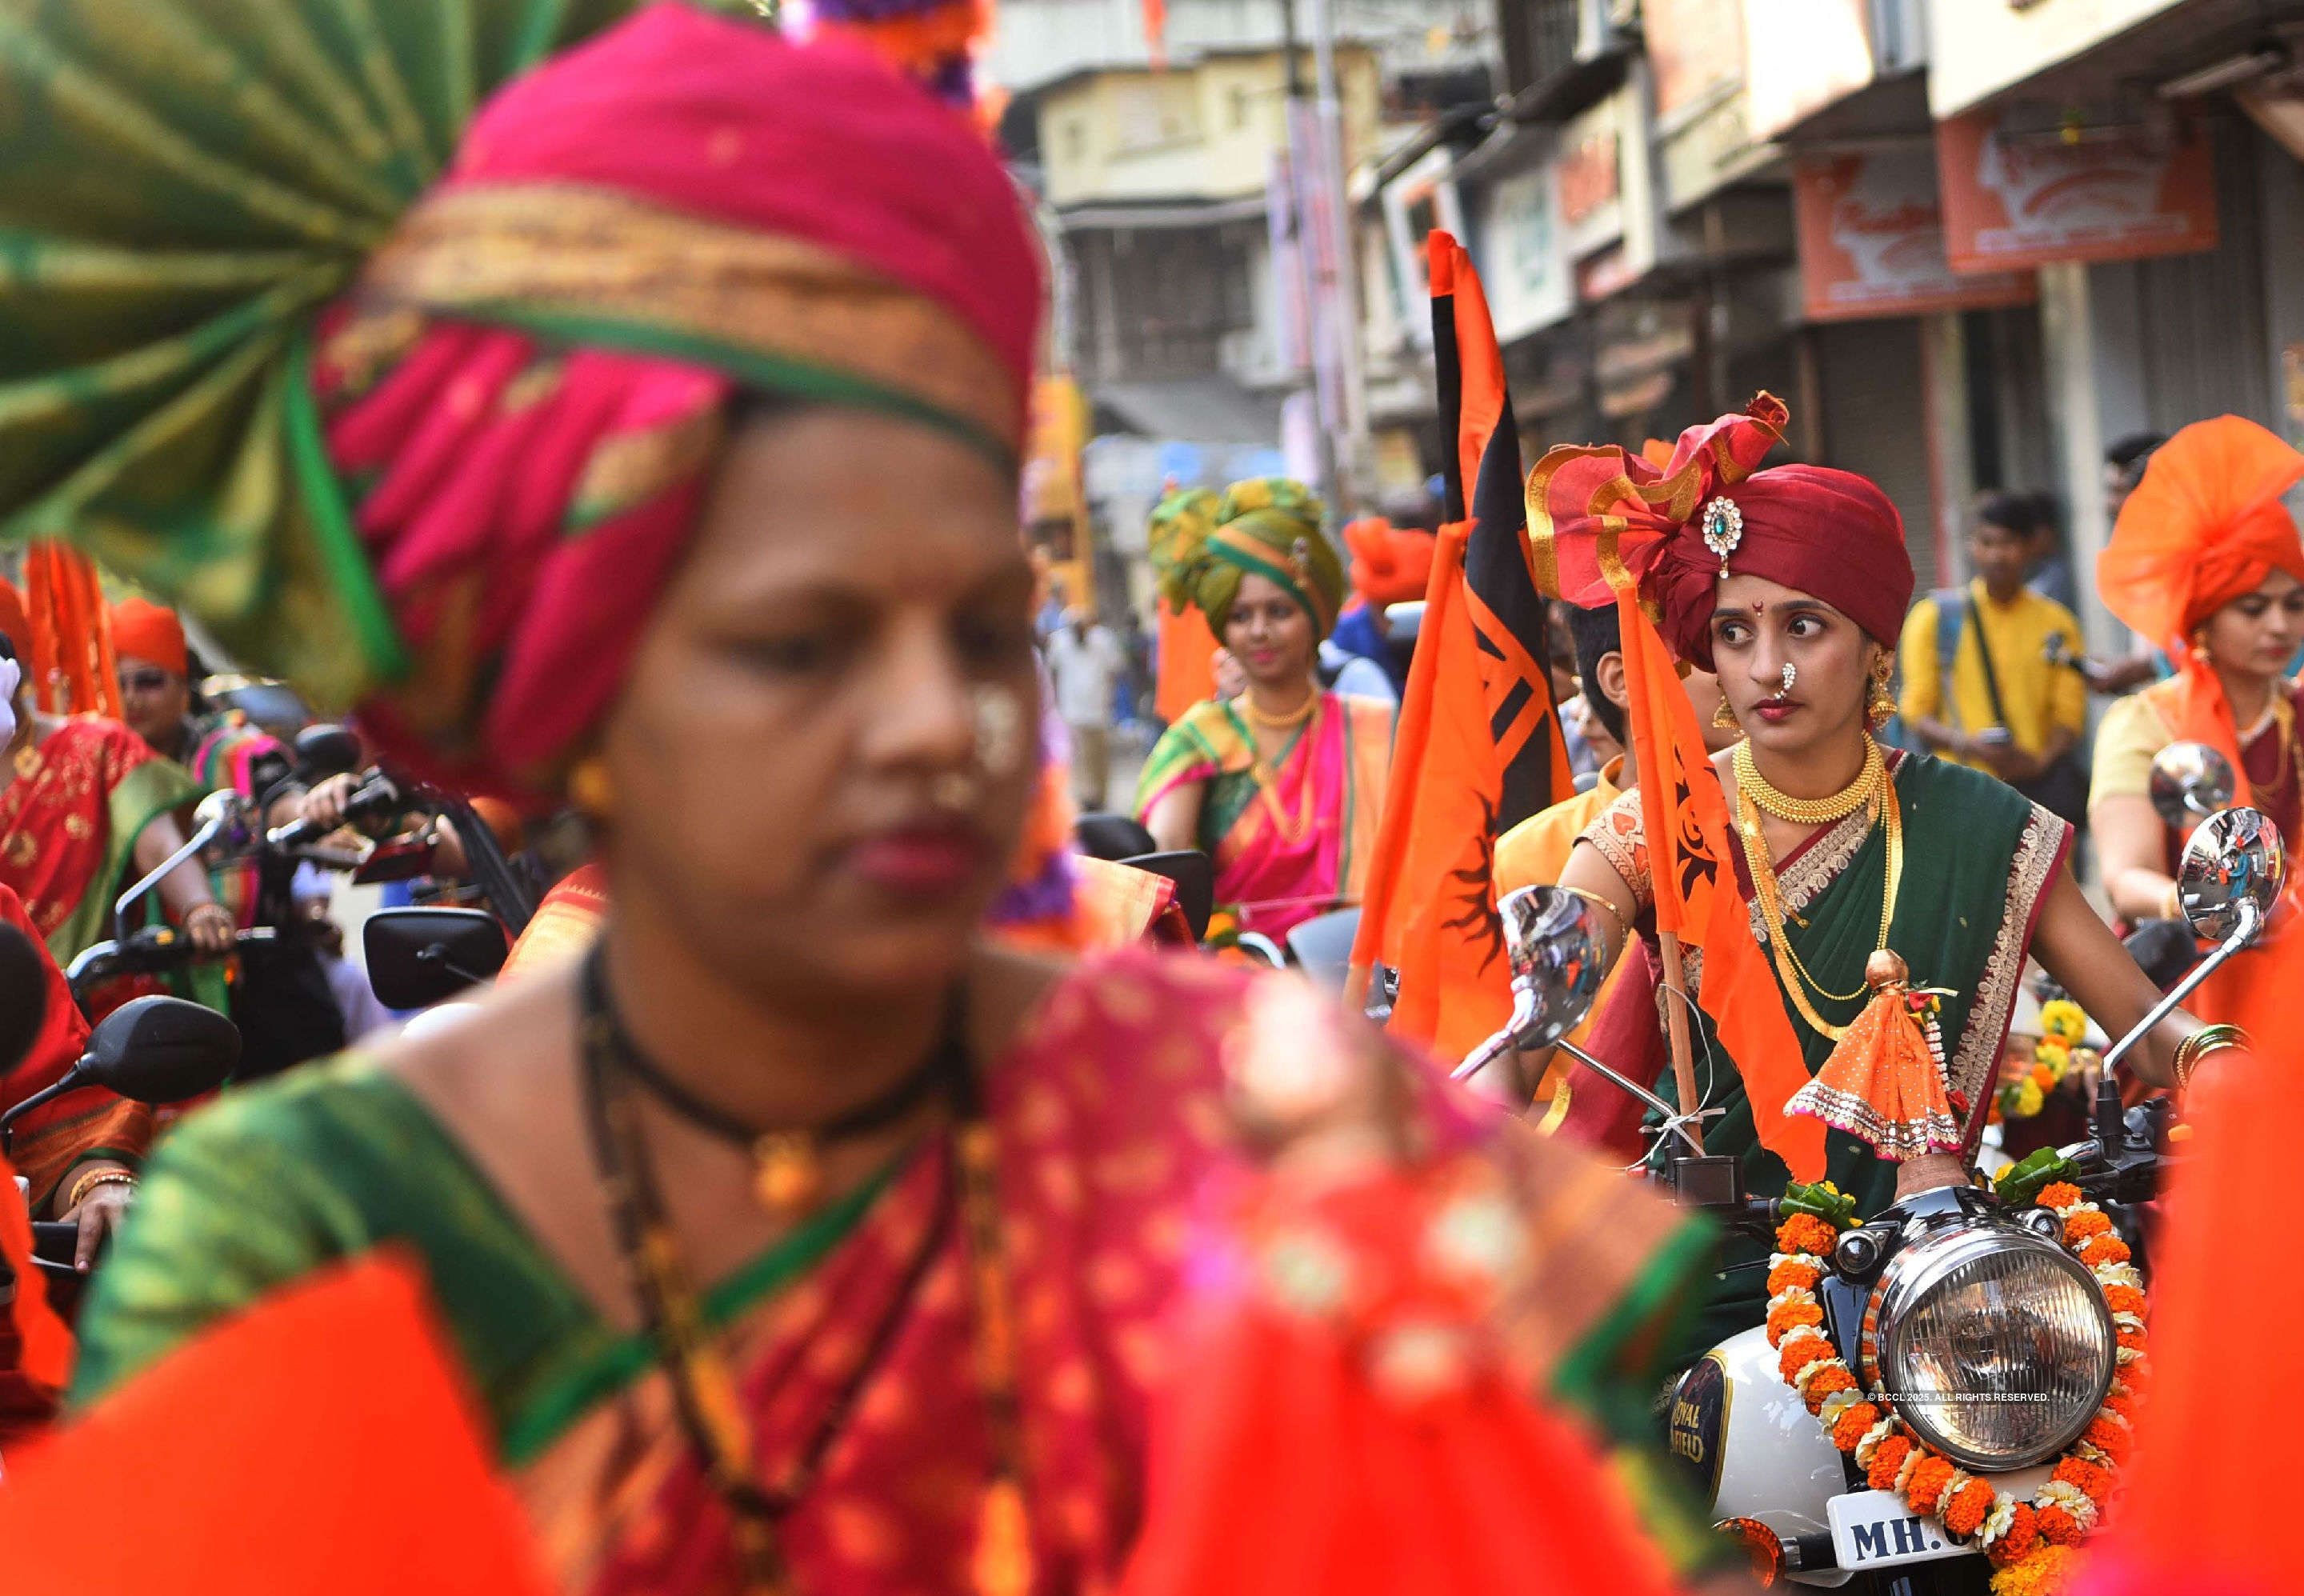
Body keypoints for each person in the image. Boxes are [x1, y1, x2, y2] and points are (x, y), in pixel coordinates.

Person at [43, 12, 1706, 1590]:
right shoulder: (315, 1230)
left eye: (979, 625)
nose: (934, 723)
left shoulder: (1302, 1142)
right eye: (801, 641)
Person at [1480, 397, 2218, 1359]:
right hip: (1714, 1280)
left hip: (1945, 1282)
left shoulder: (1981, 822)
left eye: (1803, 627)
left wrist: (2243, 1074)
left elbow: (2151, 1033)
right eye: (1736, 634)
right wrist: (1464, 1153)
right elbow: (1531, 1025)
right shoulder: (1656, 826)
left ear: (1875, 646)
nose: (1768, 669)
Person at [2091, 415, 2304, 1061]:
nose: (2279, 624)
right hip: (2189, 999)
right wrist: (2217, 911)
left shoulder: (2298, 714)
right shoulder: (2143, 722)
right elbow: (2126, 879)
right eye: (2253, 606)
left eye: (2295, 604)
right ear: (2203, 617)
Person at [1490, 606, 1734, 1108]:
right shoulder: (1529, 857)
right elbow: (1497, 1080)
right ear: (1622, 680)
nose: (1760, 667)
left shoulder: (1793, 829)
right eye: (1719, 641)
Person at [1136, 482, 1396, 942]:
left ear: (1315, 615)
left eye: (1279, 611)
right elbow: (1165, 863)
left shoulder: (1372, 726)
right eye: (1239, 616)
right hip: (1245, 974)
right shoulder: (1201, 737)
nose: (1259, 631)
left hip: (1367, 967)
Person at [111, 596, 349, 1074]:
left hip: (264, 988)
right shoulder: (105, 768)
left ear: (185, 688)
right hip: (146, 1002)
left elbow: (278, 804)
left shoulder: (238, 754)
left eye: (149, 681)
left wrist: (313, 808)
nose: (132, 698)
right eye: (119, 684)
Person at [0, 585, 233, 1004]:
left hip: (88, 1007)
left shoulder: (97, 747)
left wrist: (200, 907)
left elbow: (157, 841)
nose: (133, 697)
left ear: (19, 667)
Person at [1896, 492, 2088, 818]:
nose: (1997, 555)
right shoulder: (1933, 619)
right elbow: (1917, 711)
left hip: (2037, 800)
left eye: (2009, 544)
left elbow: (2069, 715)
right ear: (1972, 546)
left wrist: (2039, 761)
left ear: (2030, 546)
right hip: (1957, 794)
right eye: (1987, 543)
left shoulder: (2057, 623)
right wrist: (1971, 747)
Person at [1042, 608, 1123, 810]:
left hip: (1098, 709)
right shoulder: (1059, 643)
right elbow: (1053, 673)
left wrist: (1111, 698)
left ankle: (1100, 798)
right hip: (1072, 711)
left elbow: (1115, 670)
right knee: (1078, 758)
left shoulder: (1103, 641)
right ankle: (1085, 799)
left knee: (1098, 757)